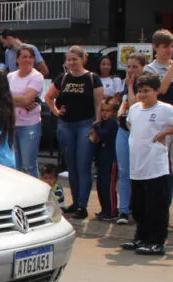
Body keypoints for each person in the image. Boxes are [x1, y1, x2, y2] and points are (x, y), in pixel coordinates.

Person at [121, 74, 173, 255]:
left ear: (156, 91)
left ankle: (156, 241)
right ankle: (141, 237)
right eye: (140, 91)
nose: (143, 94)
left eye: (147, 91)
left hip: (156, 167)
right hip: (137, 166)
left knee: (156, 207)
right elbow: (129, 124)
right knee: (138, 206)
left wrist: (166, 132)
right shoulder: (135, 109)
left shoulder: (164, 109)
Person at [44, 46, 103, 220]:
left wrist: (96, 123)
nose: (71, 63)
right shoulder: (63, 78)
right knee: (72, 167)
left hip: (85, 125)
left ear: (82, 59)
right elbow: (48, 97)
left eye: (74, 59)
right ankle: (75, 202)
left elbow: (98, 104)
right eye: (69, 60)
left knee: (83, 166)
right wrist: (55, 112)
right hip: (66, 125)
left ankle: (83, 205)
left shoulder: (93, 78)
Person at [142, 29, 173, 233]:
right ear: (155, 48)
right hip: (160, 125)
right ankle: (157, 213)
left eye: (171, 46)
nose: (169, 50)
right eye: (165, 47)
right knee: (159, 170)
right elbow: (162, 90)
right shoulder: (150, 69)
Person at [115, 53, 149, 225]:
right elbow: (125, 103)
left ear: (143, 68)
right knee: (124, 171)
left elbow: (136, 105)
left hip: (139, 132)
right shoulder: (126, 83)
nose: (131, 70)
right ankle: (123, 210)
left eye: (135, 67)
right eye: (128, 66)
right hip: (123, 129)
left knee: (140, 172)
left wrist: (130, 87)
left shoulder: (144, 85)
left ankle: (139, 209)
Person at [8, 45, 46, 177]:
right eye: (24, 57)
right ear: (17, 59)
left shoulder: (37, 76)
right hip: (12, 124)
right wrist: (21, 101)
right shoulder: (10, 77)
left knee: (28, 165)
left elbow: (27, 100)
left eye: (31, 57)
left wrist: (11, 99)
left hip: (30, 125)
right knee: (15, 165)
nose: (28, 60)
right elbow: (2, 97)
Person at [89, 97, 119, 221]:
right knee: (101, 185)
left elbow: (104, 135)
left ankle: (112, 211)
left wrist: (96, 127)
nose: (105, 113)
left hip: (111, 158)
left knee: (109, 185)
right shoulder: (104, 123)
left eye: (108, 111)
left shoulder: (112, 123)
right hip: (102, 158)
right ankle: (104, 209)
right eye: (103, 111)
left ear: (114, 112)